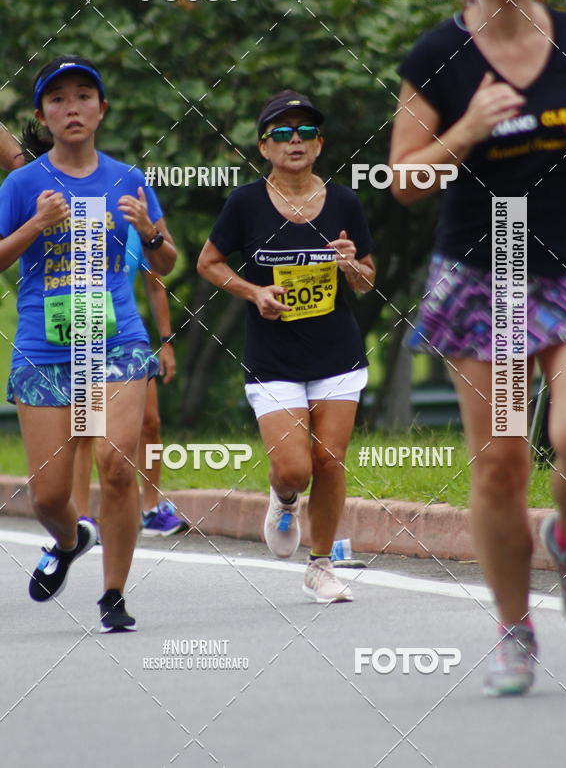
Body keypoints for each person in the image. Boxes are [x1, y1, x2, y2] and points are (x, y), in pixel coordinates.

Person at [390, 0, 566, 695]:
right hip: (487, 275)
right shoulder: (437, 55)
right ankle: (515, 632)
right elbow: (405, 178)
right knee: (503, 464)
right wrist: (468, 128)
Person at [0, 55, 177, 631]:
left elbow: (167, 262)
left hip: (114, 340)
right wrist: (33, 227)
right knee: (49, 497)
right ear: (41, 115)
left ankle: (115, 594)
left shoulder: (128, 179)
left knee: (117, 466)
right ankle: (73, 538)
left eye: (83, 96)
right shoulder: (21, 184)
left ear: (101, 110)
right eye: (57, 100)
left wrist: (149, 232)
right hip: (45, 347)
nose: (71, 108)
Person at [198, 91, 375, 603]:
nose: (293, 141)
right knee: (295, 467)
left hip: (336, 353)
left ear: (319, 145)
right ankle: (283, 497)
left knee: (330, 458)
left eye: (304, 132)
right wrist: (254, 292)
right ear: (264, 147)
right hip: (273, 356)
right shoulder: (245, 203)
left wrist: (350, 266)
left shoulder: (344, 201)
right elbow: (208, 263)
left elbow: (367, 281)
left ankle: (320, 566)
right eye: (281, 132)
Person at [73, 225, 187, 537]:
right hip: (84, 335)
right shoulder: (83, 223)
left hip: (129, 340)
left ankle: (150, 509)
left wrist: (166, 341)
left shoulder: (136, 228)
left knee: (150, 422)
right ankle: (81, 519)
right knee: (86, 426)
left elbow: (154, 285)